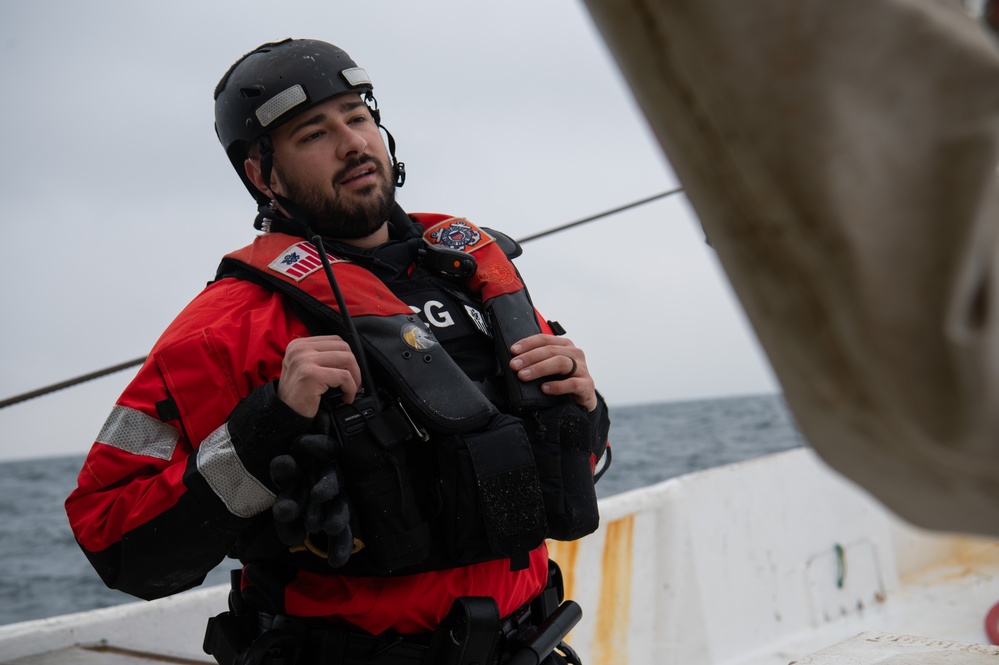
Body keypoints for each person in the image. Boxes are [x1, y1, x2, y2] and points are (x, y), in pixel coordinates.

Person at [65, 38, 610, 665]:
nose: (352, 142)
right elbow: (115, 539)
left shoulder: (475, 278)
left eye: (358, 117)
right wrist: (265, 428)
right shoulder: (226, 329)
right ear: (263, 175)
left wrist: (587, 408)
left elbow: (584, 461)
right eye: (313, 133)